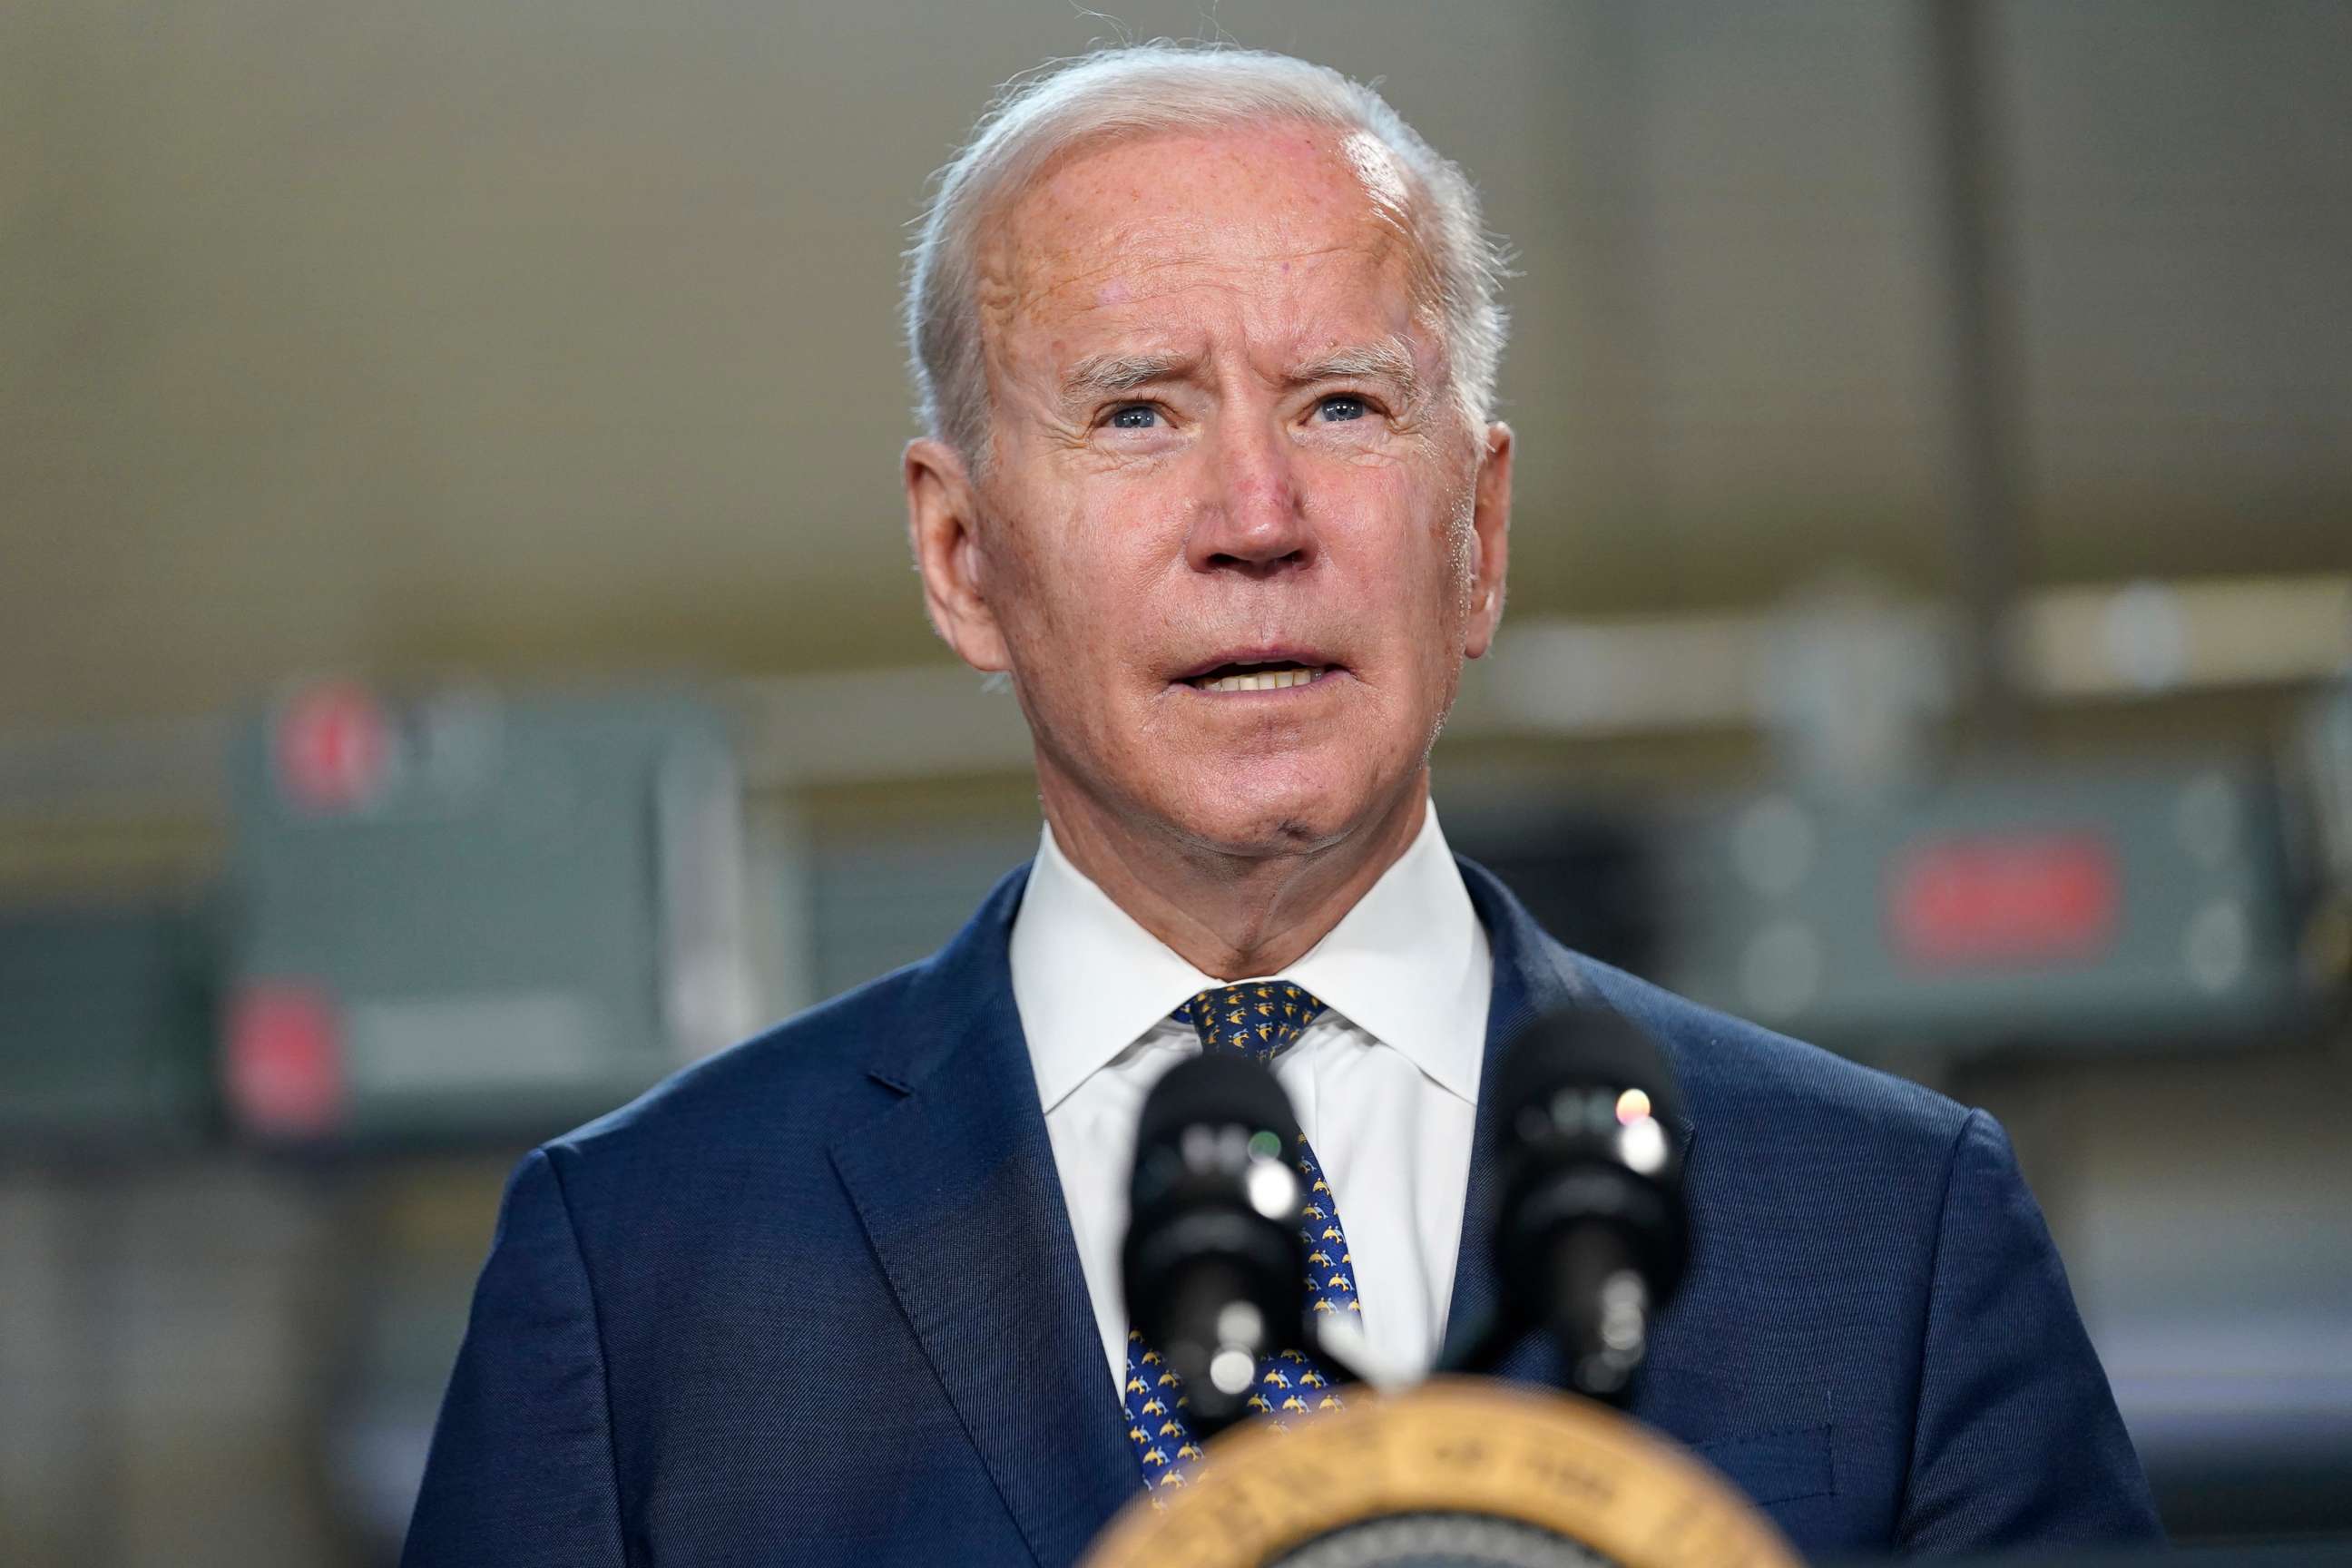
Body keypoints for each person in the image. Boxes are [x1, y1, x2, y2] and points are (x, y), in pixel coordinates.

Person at [402, 45, 2161, 1566]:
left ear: (1477, 533)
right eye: (1139, 413)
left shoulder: (1893, 1225)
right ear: (959, 556)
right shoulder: (644, 1274)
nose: (1257, 513)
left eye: (1342, 403)